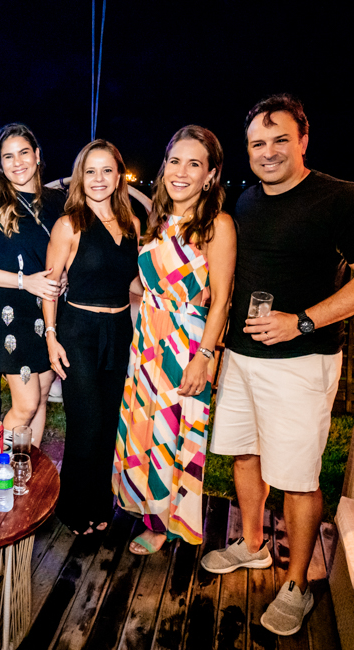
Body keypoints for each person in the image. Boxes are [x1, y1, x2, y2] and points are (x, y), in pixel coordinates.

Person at [201, 94, 354, 636]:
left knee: (298, 476)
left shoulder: (342, 198)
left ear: (304, 140)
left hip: (301, 362)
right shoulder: (245, 201)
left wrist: (303, 321)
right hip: (241, 357)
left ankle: (297, 584)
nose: (268, 152)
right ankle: (253, 545)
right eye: (257, 143)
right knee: (245, 455)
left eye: (280, 139)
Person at [113, 126, 236, 556]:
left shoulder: (218, 226)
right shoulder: (157, 222)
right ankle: (146, 507)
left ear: (211, 175)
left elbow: (222, 300)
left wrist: (204, 357)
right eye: (175, 161)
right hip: (147, 340)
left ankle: (165, 523)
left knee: (173, 433)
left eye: (194, 164)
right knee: (144, 429)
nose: (181, 172)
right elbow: (145, 283)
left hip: (186, 346)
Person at [43, 139, 140, 535]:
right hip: (78, 331)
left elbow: (132, 282)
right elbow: (50, 287)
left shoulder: (132, 225)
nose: (99, 179)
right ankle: (71, 507)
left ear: (119, 177)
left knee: (109, 421)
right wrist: (51, 337)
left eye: (107, 171)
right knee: (86, 423)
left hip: (118, 331)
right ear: (80, 177)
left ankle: (100, 503)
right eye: (90, 171)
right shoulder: (69, 225)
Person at [0, 123, 65, 446]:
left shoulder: (58, 202)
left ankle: (26, 469)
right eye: (8, 156)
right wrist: (25, 281)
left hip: (51, 311)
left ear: (37, 155)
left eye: (23, 153)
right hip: (12, 314)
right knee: (26, 404)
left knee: (43, 396)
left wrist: (64, 276)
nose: (17, 162)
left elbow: (68, 250)